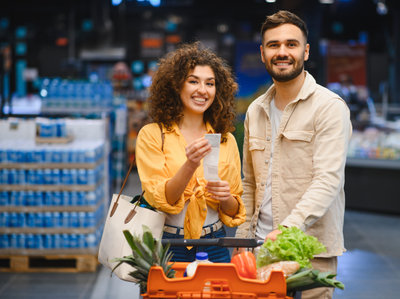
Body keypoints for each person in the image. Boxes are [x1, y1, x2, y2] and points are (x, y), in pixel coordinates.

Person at [234, 10, 352, 299]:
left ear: (306, 51)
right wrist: (241, 237)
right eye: (273, 45)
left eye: (291, 44)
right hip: (259, 250)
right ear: (262, 54)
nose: (282, 52)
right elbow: (249, 183)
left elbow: (327, 180)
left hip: (308, 251)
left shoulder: (329, 107)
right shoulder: (255, 111)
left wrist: (287, 230)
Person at [136, 42, 245, 263]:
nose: (202, 90)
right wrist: (190, 164)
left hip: (215, 244)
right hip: (168, 245)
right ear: (176, 86)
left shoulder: (226, 140)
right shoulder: (153, 135)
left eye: (210, 83)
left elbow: (234, 211)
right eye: (193, 81)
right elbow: (161, 200)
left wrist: (226, 198)